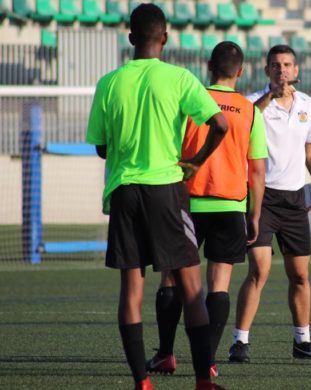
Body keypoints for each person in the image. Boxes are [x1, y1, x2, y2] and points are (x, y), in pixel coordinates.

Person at [85, 4, 228, 390]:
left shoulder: (109, 83)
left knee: (131, 289)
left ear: (130, 38)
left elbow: (100, 147)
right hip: (167, 188)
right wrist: (195, 163)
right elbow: (220, 124)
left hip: (124, 190)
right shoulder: (179, 78)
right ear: (164, 37)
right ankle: (202, 381)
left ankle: (142, 382)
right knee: (191, 286)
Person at [145, 41, 268, 377]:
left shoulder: (191, 99)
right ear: (240, 71)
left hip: (187, 202)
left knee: (171, 277)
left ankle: (165, 354)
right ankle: (209, 362)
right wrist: (254, 214)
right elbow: (256, 169)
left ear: (209, 66)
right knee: (220, 285)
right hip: (231, 206)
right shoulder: (249, 110)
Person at [228, 44, 311, 363]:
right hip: (261, 199)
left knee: (300, 276)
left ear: (297, 70)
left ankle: (302, 341)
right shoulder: (253, 103)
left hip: (294, 200)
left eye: (287, 65)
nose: (282, 70)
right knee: (259, 270)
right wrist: (270, 97)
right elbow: (244, 125)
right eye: (275, 65)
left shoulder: (307, 105)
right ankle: (240, 342)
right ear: (266, 71)